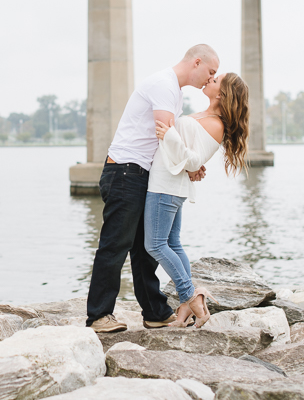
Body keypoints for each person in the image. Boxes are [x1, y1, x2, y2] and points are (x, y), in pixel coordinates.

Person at [86, 44, 220, 333]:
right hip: (125, 169)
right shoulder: (164, 85)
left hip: (140, 172)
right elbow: (166, 133)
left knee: (144, 249)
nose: (210, 79)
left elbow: (170, 142)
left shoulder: (176, 91)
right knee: (115, 243)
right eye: (210, 72)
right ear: (196, 62)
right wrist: (191, 165)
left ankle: (155, 312)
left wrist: (190, 163)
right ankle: (98, 315)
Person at [144, 72, 249, 328]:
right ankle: (184, 309)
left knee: (155, 245)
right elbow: (191, 159)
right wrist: (174, 140)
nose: (210, 79)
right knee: (173, 243)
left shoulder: (216, 124)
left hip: (166, 186)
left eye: (216, 80)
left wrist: (168, 134)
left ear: (221, 93)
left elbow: (194, 160)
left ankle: (191, 295)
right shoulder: (204, 115)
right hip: (171, 182)